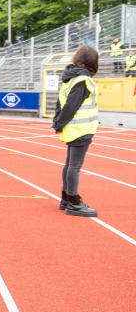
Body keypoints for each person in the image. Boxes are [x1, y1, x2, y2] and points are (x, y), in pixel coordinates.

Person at [53, 46, 99, 217]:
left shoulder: (70, 78)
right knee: (74, 166)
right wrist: (58, 123)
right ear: (92, 63)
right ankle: (73, 202)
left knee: (70, 164)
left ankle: (66, 199)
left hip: (73, 128)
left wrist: (58, 122)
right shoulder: (83, 80)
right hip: (82, 128)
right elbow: (71, 106)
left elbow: (61, 103)